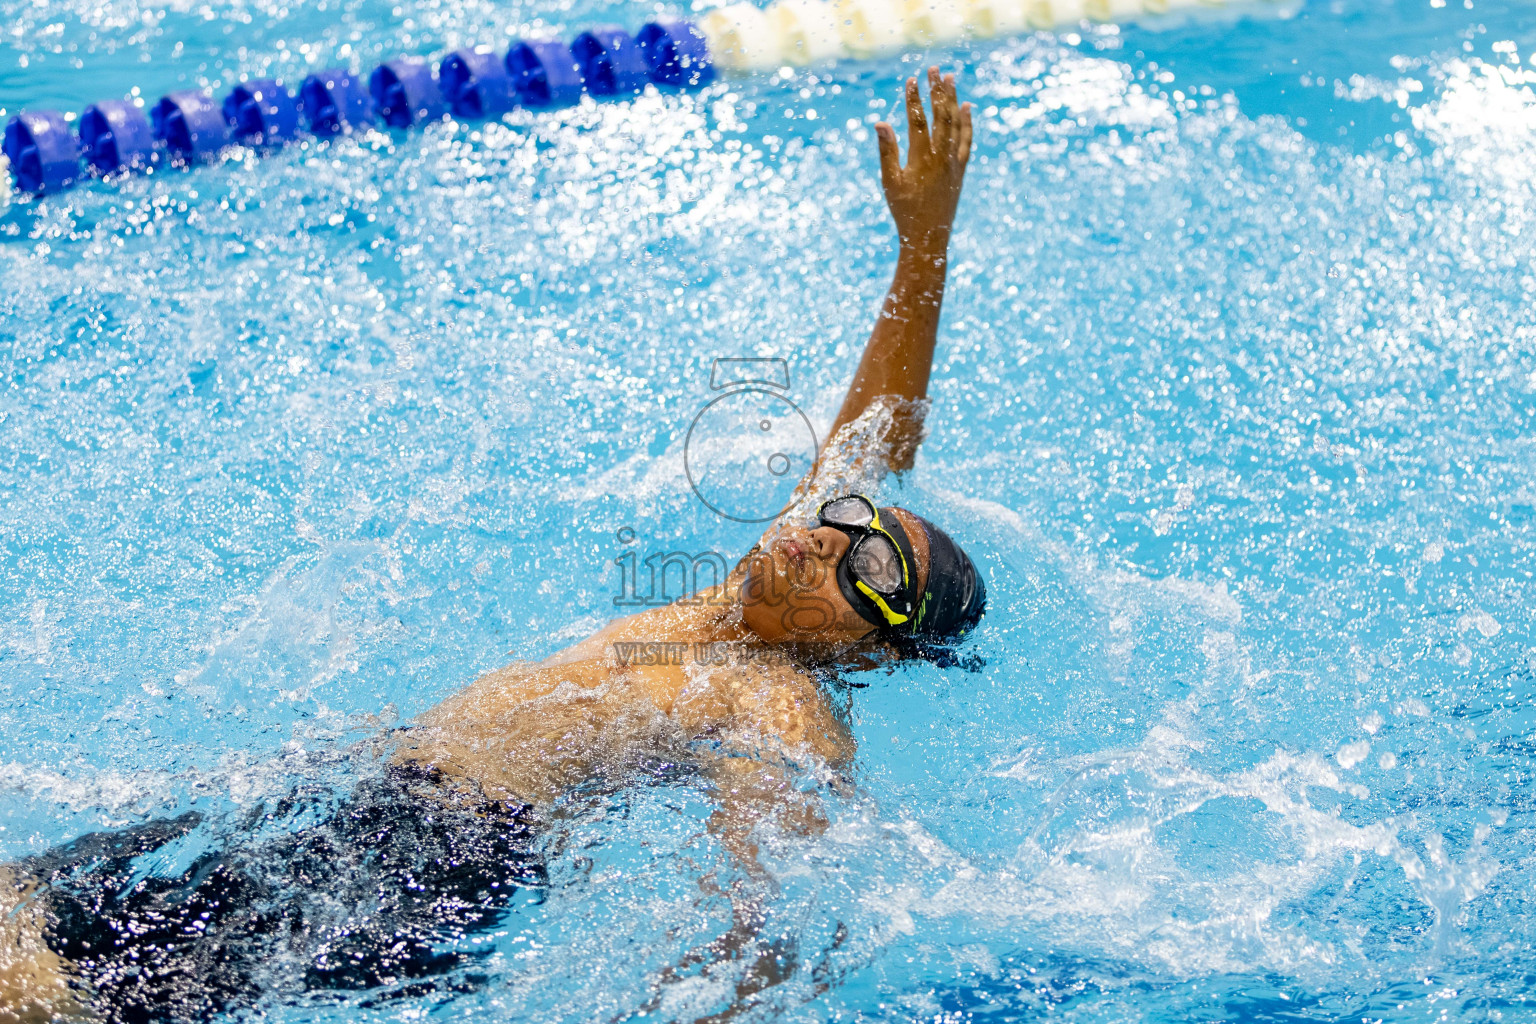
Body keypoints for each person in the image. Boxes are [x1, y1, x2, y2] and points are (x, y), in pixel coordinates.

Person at [0, 66, 984, 1023]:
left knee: (30, 991)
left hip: (415, 862)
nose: (831, 541)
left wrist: (721, 980)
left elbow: (776, 914)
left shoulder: (779, 697)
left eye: (872, 570)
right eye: (843, 524)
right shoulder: (734, 604)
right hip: (342, 799)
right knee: (17, 903)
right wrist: (922, 245)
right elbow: (878, 439)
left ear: (872, 644)